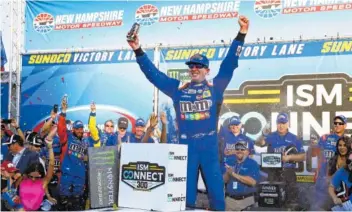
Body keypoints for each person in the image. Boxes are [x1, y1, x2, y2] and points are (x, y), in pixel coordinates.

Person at [127, 16, 249, 210]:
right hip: (186, 146)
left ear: (207, 70)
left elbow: (230, 64)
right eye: (191, 66)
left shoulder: (215, 87)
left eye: (198, 66)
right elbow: (154, 75)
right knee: (185, 198)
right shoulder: (178, 89)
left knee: (217, 196)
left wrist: (241, 34)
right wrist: (137, 50)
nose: (194, 69)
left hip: (209, 146)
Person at [57, 98, 88, 210]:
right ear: (73, 129)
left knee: (77, 202)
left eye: (81, 129)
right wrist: (63, 113)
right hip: (67, 174)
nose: (80, 130)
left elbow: (88, 157)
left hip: (80, 176)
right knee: (64, 202)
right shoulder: (67, 138)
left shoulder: (85, 142)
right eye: (77, 129)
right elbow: (61, 129)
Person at [19, 126, 55, 211]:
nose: (38, 148)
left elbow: (45, 179)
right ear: (29, 145)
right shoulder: (21, 157)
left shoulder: (40, 161)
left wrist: (48, 196)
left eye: (40, 146)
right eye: (36, 146)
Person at [223, 141, 260, 211]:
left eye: (242, 149)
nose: (239, 151)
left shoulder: (253, 163)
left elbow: (252, 182)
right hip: (230, 200)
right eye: (237, 149)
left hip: (247, 200)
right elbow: (224, 180)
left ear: (247, 151)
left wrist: (233, 174)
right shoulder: (229, 161)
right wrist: (228, 173)